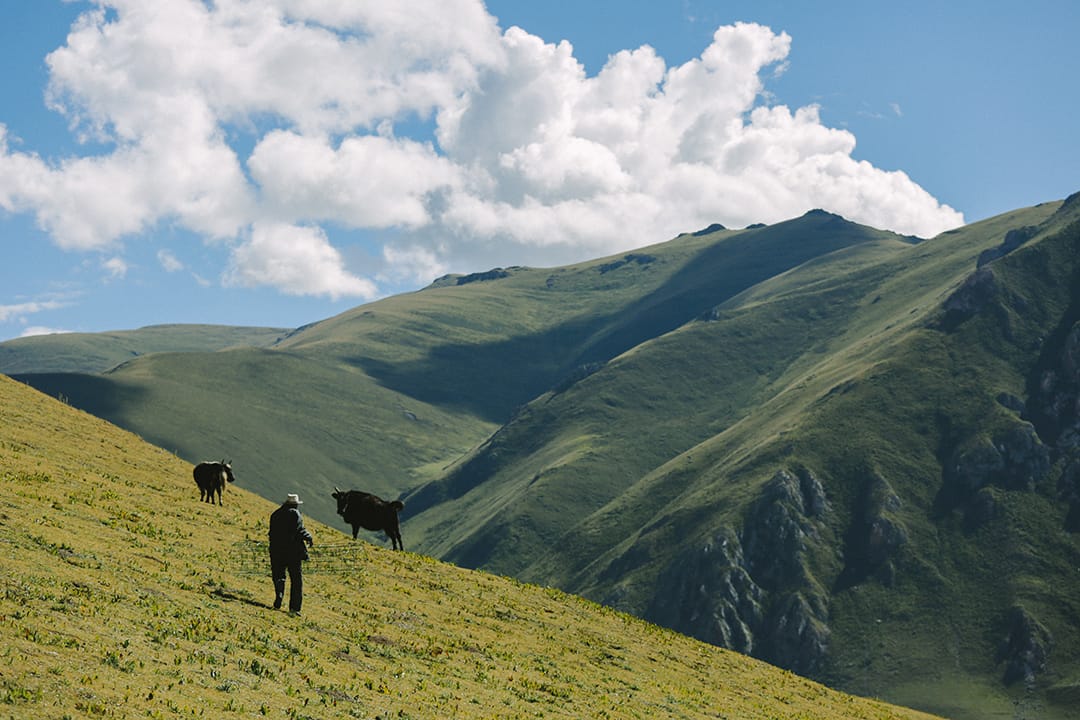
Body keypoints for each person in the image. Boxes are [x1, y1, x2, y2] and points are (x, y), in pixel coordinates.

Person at [268, 493, 313, 615]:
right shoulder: (295, 514)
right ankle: (294, 608)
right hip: (292, 552)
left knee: (279, 575)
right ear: (295, 505)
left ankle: (279, 594)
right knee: (296, 580)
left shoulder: (276, 514)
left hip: (276, 550)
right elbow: (299, 530)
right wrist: (309, 537)